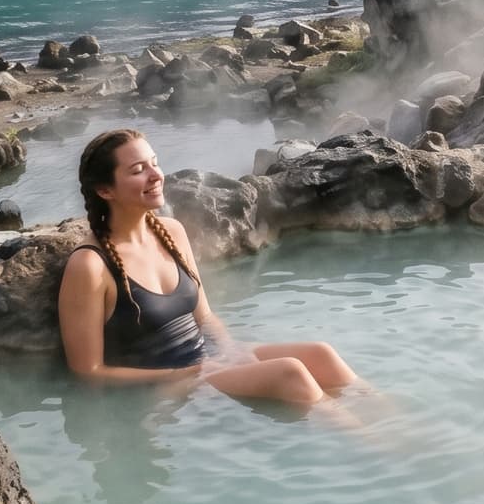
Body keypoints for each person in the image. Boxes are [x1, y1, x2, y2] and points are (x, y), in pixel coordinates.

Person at [58, 128, 360, 406]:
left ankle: (397, 432)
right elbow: (89, 372)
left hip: (206, 358)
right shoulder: (90, 265)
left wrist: (230, 350)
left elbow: (204, 316)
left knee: (322, 355)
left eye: (155, 163)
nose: (156, 175)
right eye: (138, 170)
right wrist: (186, 373)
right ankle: (373, 445)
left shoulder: (171, 231)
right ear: (105, 190)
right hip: (168, 380)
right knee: (291, 373)